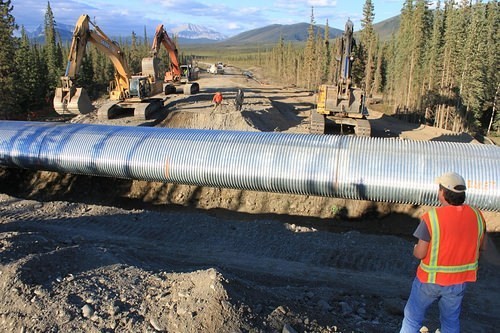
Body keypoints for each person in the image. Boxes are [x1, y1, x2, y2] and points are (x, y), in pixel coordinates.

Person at [400, 172, 487, 333]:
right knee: (450, 321)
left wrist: (414, 250)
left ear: (442, 193)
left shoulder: (431, 218)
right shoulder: (477, 215)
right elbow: (481, 248)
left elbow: (420, 253)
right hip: (458, 282)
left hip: (429, 281)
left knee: (412, 319)